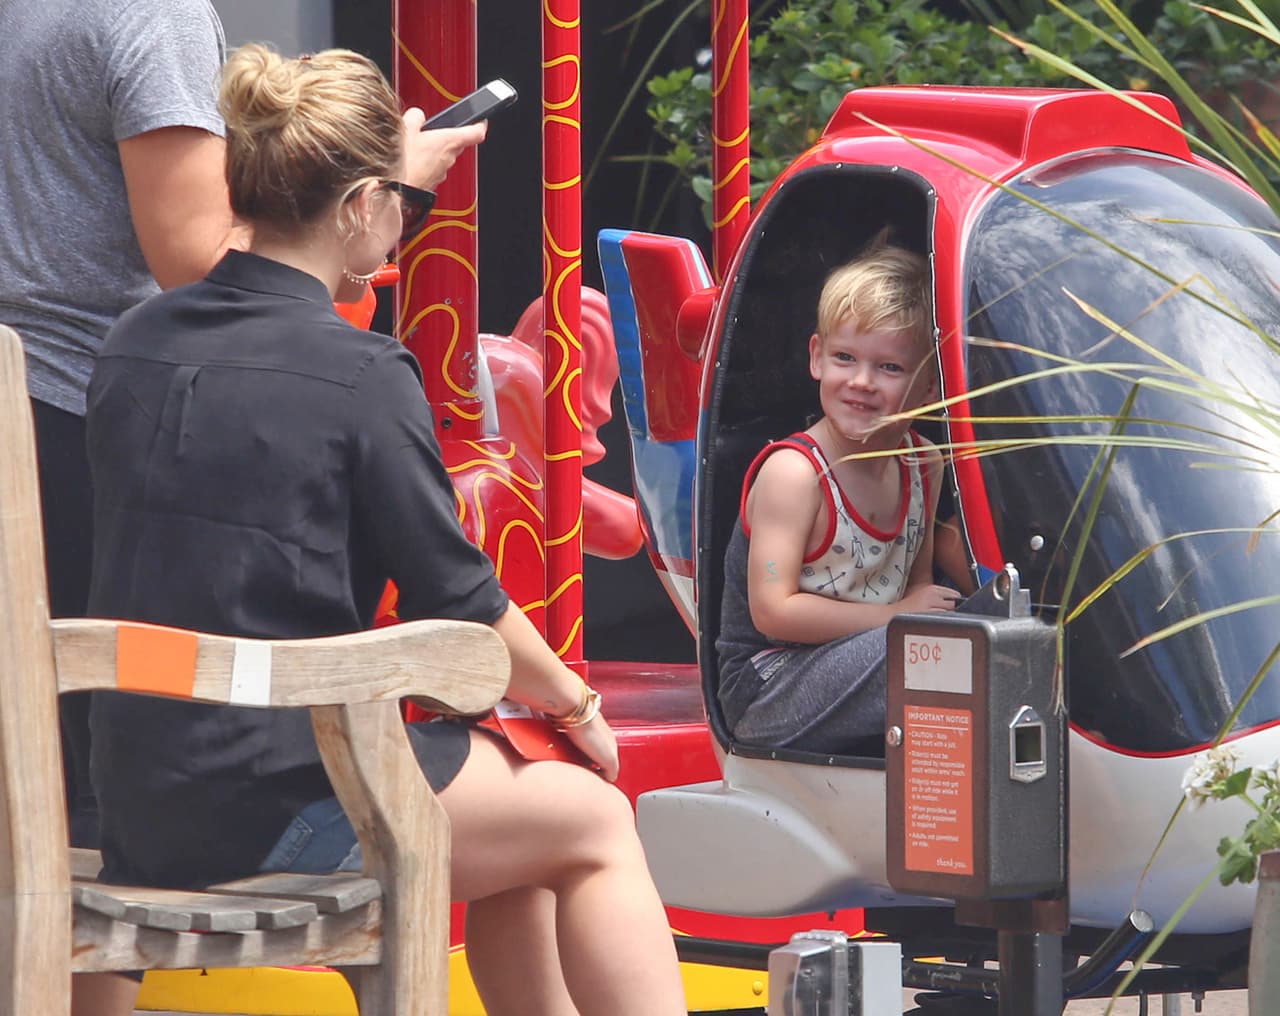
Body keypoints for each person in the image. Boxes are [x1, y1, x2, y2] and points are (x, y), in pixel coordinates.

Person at [80, 44, 686, 1016]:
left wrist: (389, 177)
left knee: (521, 835)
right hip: (288, 811)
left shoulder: (133, 344)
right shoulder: (360, 373)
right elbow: (464, 603)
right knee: (594, 815)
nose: (405, 220)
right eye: (397, 202)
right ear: (363, 202)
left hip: (138, 797)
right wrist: (578, 708)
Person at [0, 0, 484, 852]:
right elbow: (204, 262)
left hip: (69, 391)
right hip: (98, 403)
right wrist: (380, 190)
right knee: (98, 796)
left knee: (75, 798)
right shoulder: (154, 14)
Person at [716, 238, 962, 756]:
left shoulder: (924, 464)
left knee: (987, 637)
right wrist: (900, 618)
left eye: (890, 368)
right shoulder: (796, 474)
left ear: (931, 384)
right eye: (845, 358)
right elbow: (773, 612)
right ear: (817, 358)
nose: (861, 382)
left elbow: (915, 591)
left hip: (869, 657)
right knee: (939, 649)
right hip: (770, 683)